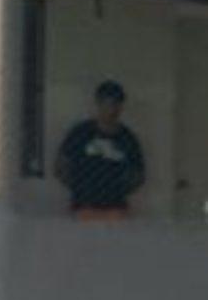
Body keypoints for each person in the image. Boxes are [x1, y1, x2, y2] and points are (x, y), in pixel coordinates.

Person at [55, 80, 146, 217]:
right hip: (84, 207)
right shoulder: (80, 133)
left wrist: (118, 191)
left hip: (116, 208)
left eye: (116, 104)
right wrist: (80, 188)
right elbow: (61, 166)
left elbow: (138, 175)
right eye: (107, 104)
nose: (112, 109)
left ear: (121, 107)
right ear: (98, 104)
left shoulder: (128, 138)